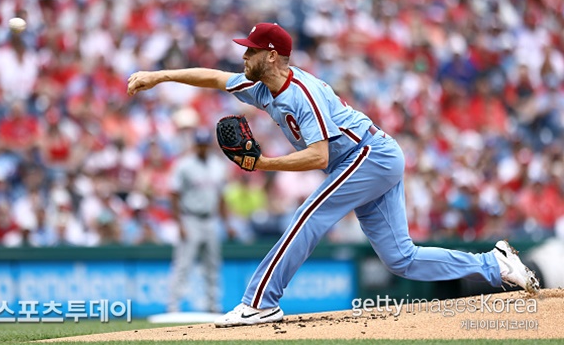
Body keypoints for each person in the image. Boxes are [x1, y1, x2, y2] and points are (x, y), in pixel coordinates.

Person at [127, 22, 540, 327]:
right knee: (401, 259)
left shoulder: (301, 93)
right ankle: (494, 264)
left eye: (250, 51)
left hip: (368, 155)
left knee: (309, 216)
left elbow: (318, 156)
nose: (243, 57)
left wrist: (264, 164)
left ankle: (259, 302)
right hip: (370, 158)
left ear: (271, 56)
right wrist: (160, 76)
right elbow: (216, 78)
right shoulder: (260, 85)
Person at [166, 128, 235, 314]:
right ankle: (173, 305)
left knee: (213, 264)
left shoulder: (218, 165)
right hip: (190, 218)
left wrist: (227, 224)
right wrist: (179, 224)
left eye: (205, 144)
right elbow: (174, 195)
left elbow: (221, 197)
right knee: (183, 264)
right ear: (195, 145)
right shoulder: (184, 165)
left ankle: (212, 304)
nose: (202, 148)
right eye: (199, 145)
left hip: (211, 219)